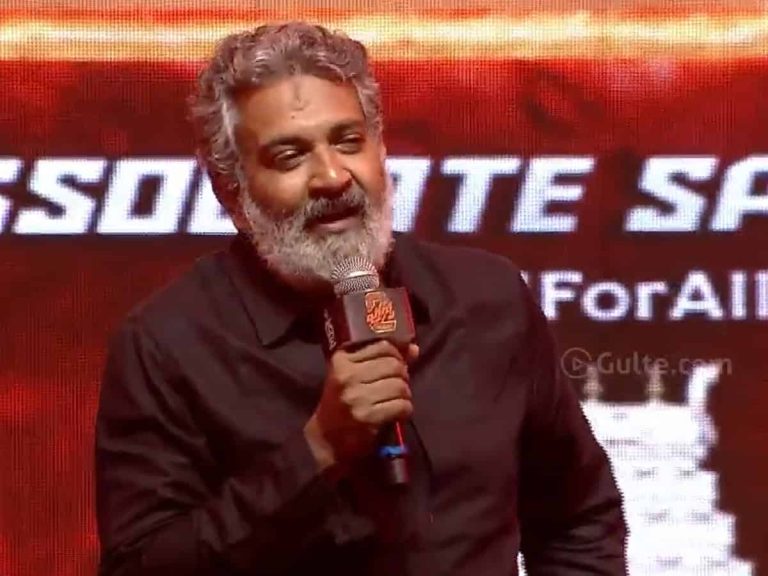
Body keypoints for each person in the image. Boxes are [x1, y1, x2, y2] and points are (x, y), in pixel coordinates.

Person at [94, 21, 627, 575]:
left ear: (381, 149)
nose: (332, 177)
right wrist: (319, 449)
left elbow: (579, 519)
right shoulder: (168, 346)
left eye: (349, 141)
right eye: (290, 156)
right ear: (231, 192)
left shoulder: (488, 298)